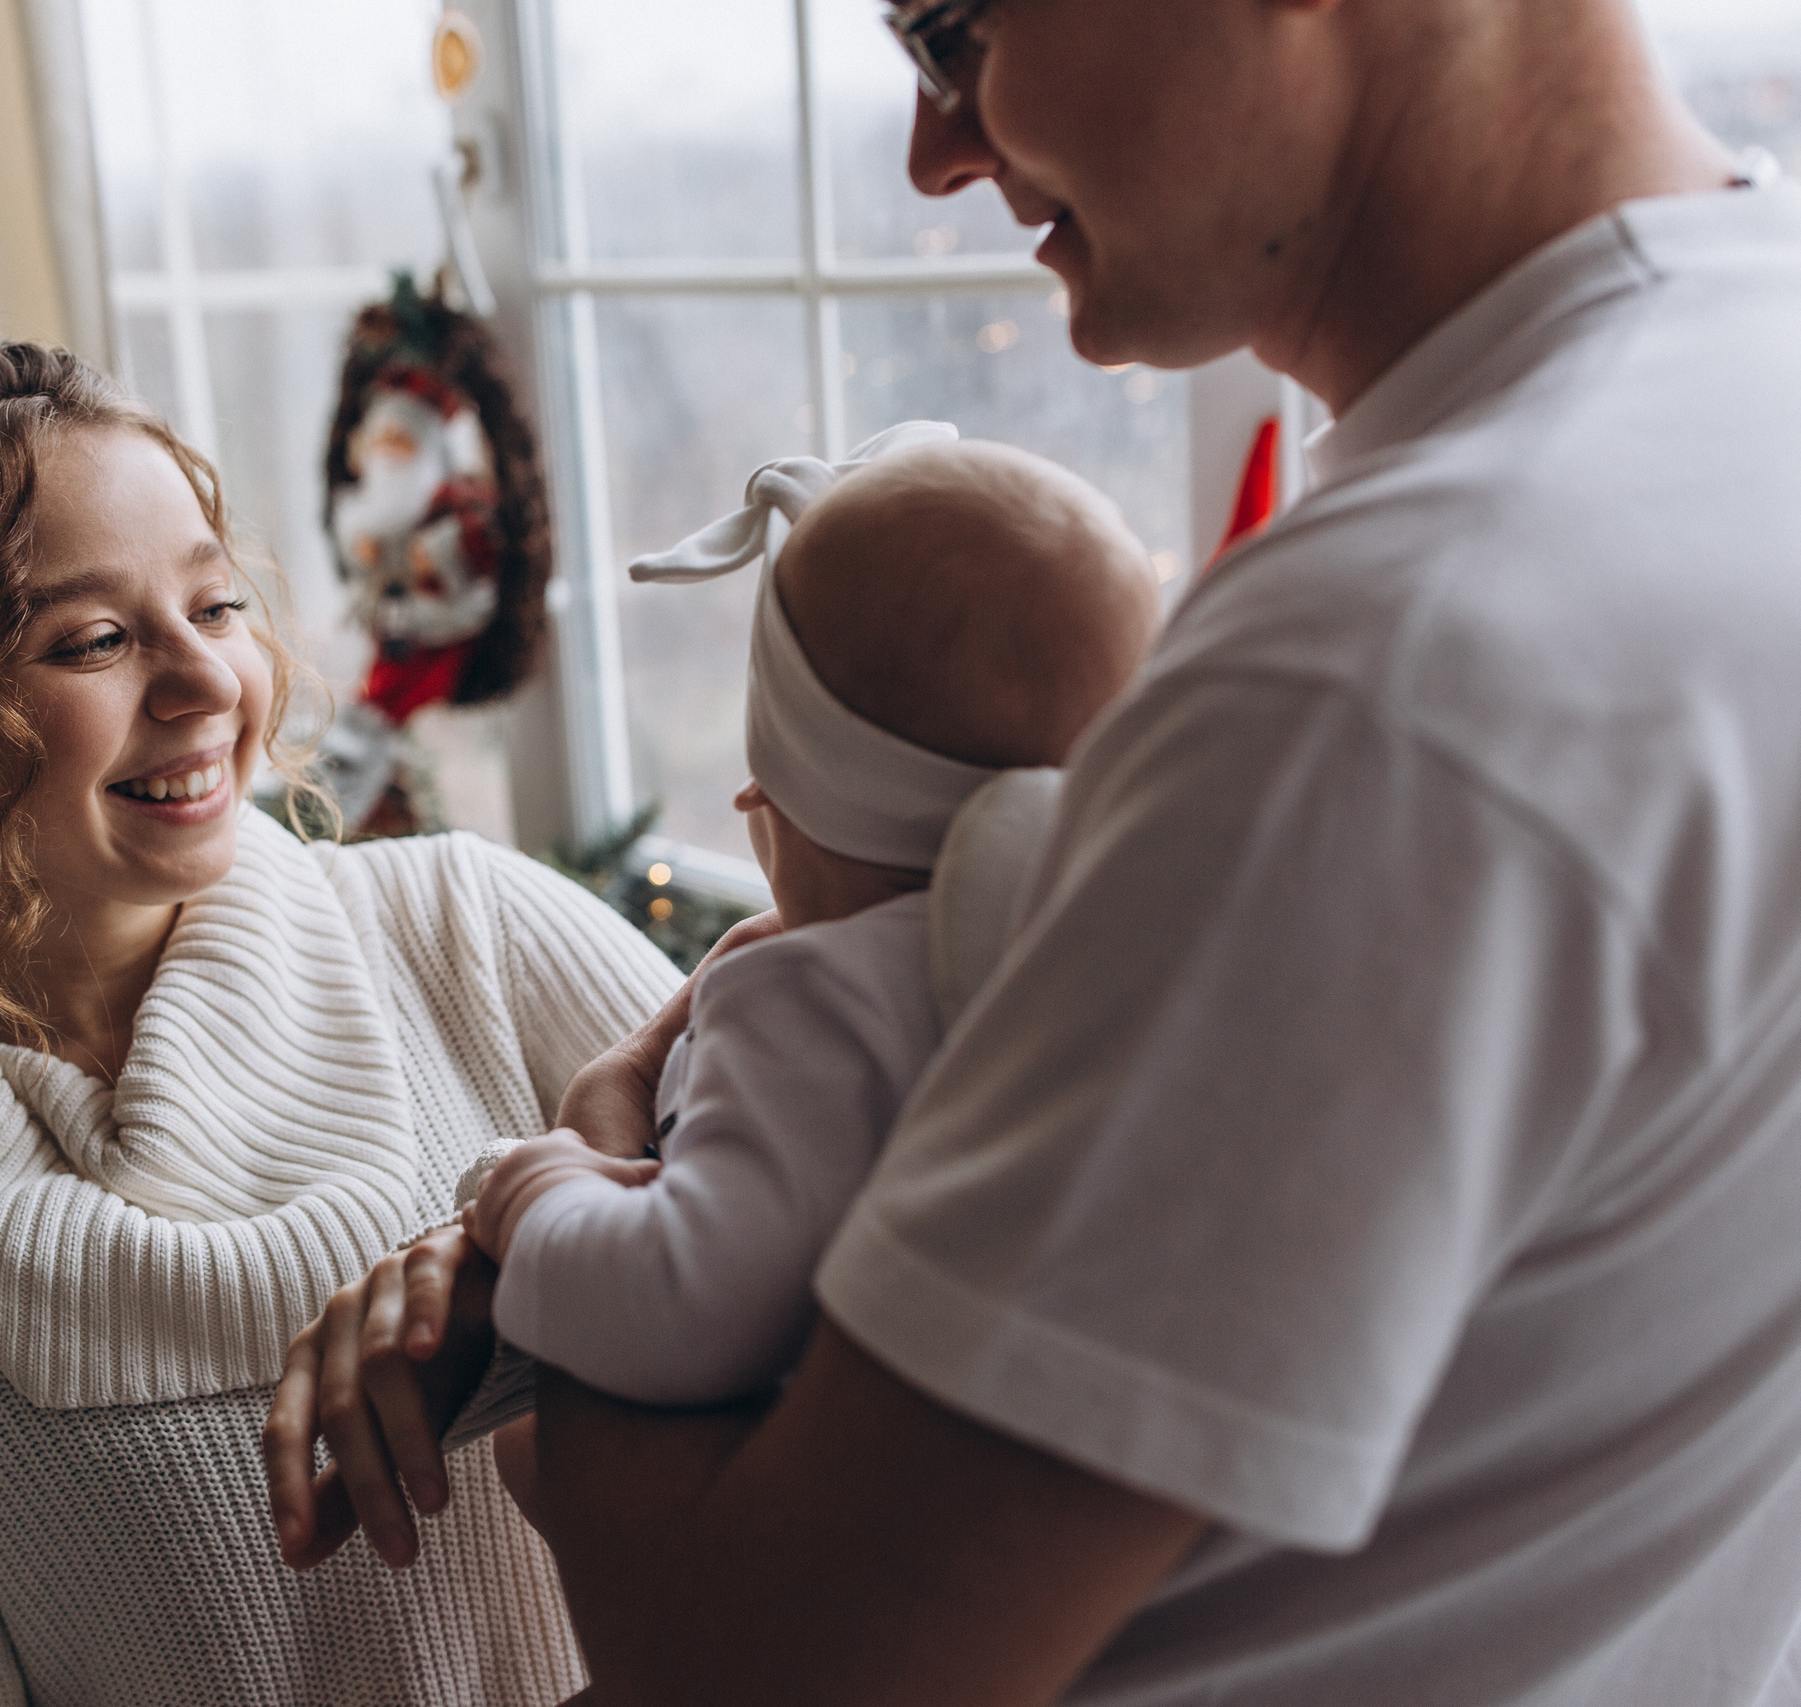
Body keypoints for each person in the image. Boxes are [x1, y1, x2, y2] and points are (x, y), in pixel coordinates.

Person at [263, 1, 1801, 1702]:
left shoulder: (1375, 681)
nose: (937, 150)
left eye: (951, 25)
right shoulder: (1747, 391)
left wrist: (596, 1180)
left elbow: (754, 1670)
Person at [0, 342, 687, 1706]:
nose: (208, 680)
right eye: (94, 639)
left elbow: (869, 1294)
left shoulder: (478, 933)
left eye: (213, 600)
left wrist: (535, 1238)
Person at [463, 430, 1156, 1441]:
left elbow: (683, 1305)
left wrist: (537, 1187)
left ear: (769, 795)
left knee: (522, 1445)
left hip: (793, 1494)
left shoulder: (819, 999)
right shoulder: (1109, 951)